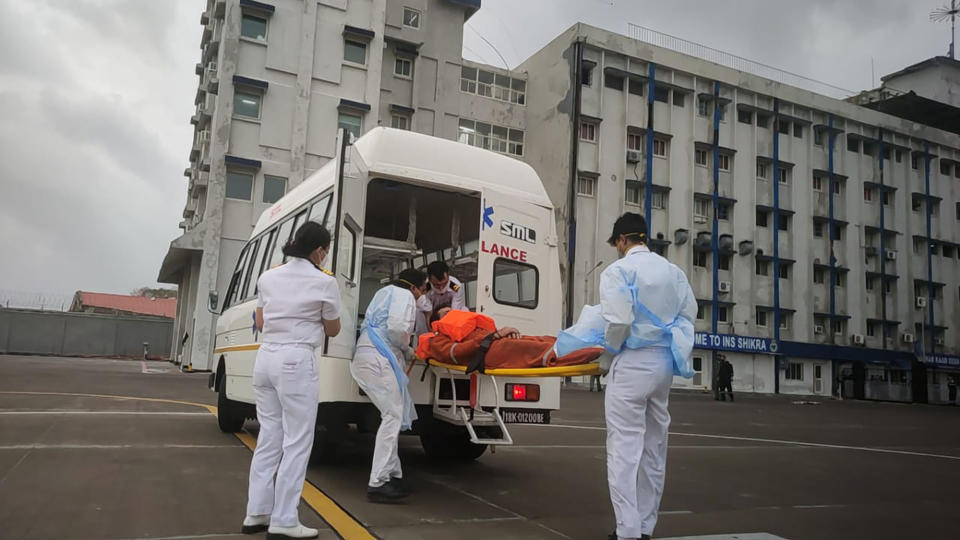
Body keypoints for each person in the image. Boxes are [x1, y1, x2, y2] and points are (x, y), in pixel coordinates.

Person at [600, 213, 696, 540]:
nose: (617, 249)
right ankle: (644, 528)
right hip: (663, 364)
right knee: (654, 448)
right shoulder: (674, 272)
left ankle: (626, 532)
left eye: (617, 244)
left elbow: (618, 322)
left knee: (624, 449)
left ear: (623, 240)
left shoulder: (619, 271)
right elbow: (687, 315)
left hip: (632, 362)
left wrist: (606, 358)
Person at [244, 221, 341, 539]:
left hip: (265, 359)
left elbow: (260, 319)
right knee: (298, 441)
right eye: (325, 251)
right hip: (296, 361)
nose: (325, 256)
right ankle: (284, 519)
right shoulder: (325, 283)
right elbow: (333, 328)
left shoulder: (268, 277)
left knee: (269, 437)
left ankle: (256, 513)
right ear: (318, 250)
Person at [351, 268, 428, 502]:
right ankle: (379, 481)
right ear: (414, 287)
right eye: (423, 290)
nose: (422, 295)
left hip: (366, 354)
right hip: (378, 358)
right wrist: (407, 349)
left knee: (391, 415)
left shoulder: (383, 291)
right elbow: (396, 330)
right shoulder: (405, 296)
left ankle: (394, 475)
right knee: (393, 416)